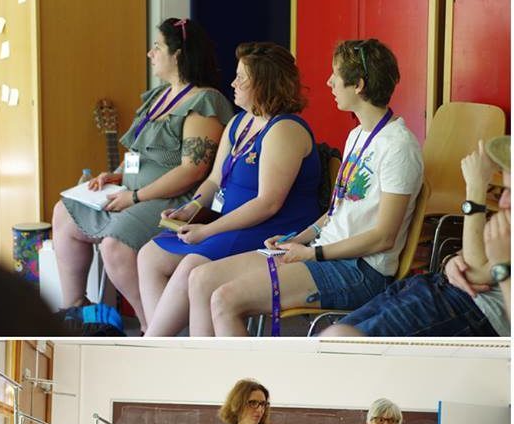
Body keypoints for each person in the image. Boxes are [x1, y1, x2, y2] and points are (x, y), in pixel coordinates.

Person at [184, 38, 423, 336]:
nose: (329, 82)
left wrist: (314, 254)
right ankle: (207, 377)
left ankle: (251, 383)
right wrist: (297, 239)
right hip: (325, 253)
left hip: (359, 270)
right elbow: (337, 210)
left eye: (335, 75)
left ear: (358, 85)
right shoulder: (357, 136)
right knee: (200, 279)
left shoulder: (399, 146)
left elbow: (384, 238)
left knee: (224, 299)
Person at [52, 18, 233, 332]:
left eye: (158, 47)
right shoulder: (157, 97)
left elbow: (194, 170)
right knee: (63, 213)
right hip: (131, 192)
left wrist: (134, 196)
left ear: (178, 54)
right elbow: (138, 153)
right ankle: (75, 311)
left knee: (114, 245)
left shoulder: (204, 100)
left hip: (174, 199)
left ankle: (154, 327)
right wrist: (116, 175)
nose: (150, 54)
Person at [138, 41, 321, 336]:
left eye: (242, 79)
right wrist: (194, 207)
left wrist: (208, 231)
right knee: (149, 256)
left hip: (270, 229)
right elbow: (213, 180)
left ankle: (153, 344)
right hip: (233, 222)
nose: (233, 83)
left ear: (265, 85)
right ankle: (163, 341)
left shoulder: (284, 129)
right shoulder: (239, 122)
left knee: (191, 266)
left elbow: (268, 204)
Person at [321, 135, 510, 337]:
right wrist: (452, 261)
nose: (503, 202)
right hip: (436, 286)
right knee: (324, 343)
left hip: (471, 308)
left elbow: (476, 272)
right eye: (504, 190)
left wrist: (475, 187)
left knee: (337, 345)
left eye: (511, 190)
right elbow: (476, 256)